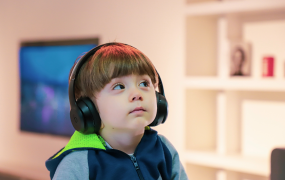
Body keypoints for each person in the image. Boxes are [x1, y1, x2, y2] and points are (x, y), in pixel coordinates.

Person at [45, 42, 188, 180]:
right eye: (119, 87)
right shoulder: (78, 163)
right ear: (89, 108)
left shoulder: (163, 149)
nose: (136, 94)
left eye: (144, 83)